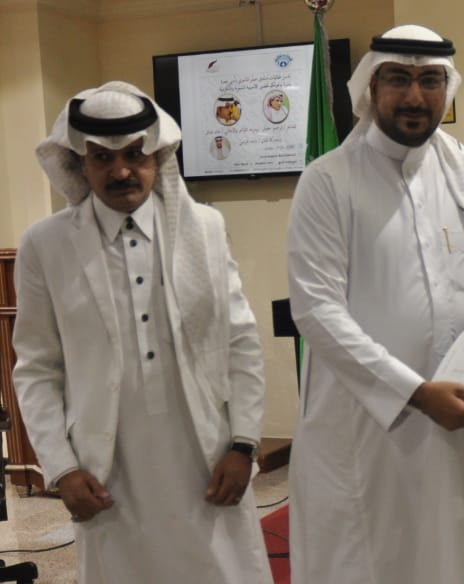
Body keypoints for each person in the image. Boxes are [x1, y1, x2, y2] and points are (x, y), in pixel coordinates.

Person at [12, 81, 271, 583]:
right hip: (108, 468)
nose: (121, 171)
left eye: (135, 155)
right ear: (79, 162)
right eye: (103, 158)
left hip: (206, 456)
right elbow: (37, 367)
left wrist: (244, 445)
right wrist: (61, 467)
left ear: (158, 156)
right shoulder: (45, 245)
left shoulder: (204, 229)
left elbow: (240, 342)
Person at [286, 24, 464, 583]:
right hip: (364, 429)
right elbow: (316, 311)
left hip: (454, 418)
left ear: (446, 88)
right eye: (398, 79)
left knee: (449, 557)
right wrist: (415, 393)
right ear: (370, 87)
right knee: (368, 562)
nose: (414, 96)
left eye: (430, 80)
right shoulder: (328, 181)